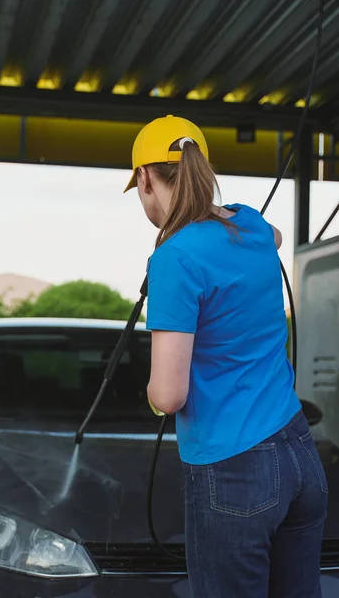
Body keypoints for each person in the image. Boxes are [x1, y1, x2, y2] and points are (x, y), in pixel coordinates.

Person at [124, 115, 328, 598]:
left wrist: (152, 396)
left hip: (234, 473)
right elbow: (275, 237)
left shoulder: (175, 258)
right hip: (298, 454)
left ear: (146, 179)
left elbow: (169, 395)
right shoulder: (253, 224)